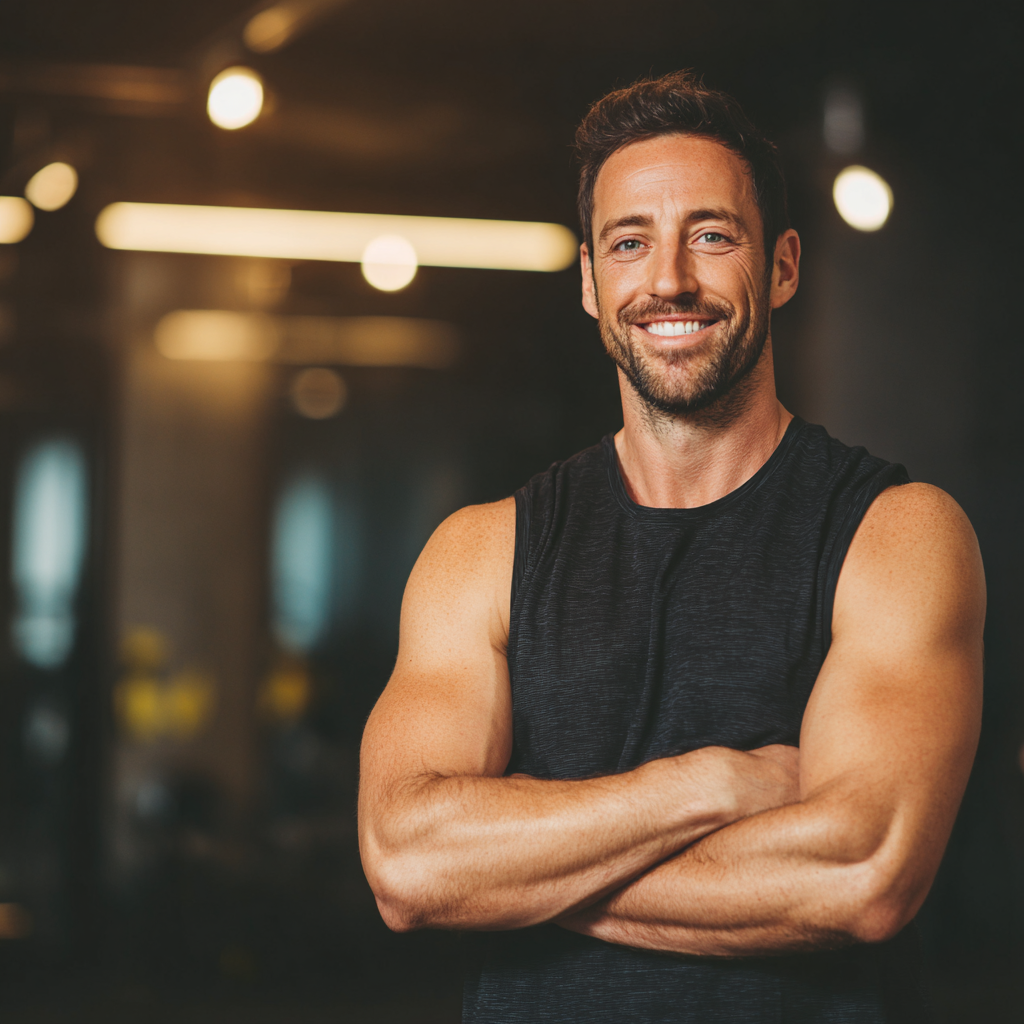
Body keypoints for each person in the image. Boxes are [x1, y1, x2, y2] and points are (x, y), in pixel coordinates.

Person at [357, 71, 985, 1023]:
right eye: (630, 243)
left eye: (711, 235)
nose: (669, 281)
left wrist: (517, 875)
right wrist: (711, 785)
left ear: (780, 266)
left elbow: (861, 871)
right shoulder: (484, 553)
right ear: (589, 280)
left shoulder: (893, 534)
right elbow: (408, 861)